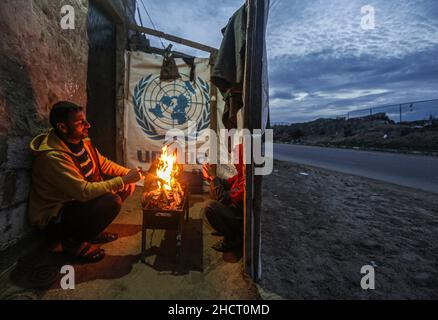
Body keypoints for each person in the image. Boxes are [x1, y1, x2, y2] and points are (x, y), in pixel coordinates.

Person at [28, 101, 142, 263]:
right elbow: (84, 191)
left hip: (77, 203)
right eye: (80, 123)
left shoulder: (82, 142)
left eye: (85, 120)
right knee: (112, 200)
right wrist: (123, 180)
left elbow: (104, 163)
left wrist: (128, 175)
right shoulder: (53, 157)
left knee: (124, 187)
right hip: (55, 218)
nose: (87, 125)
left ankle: (90, 232)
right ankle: (72, 243)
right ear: (62, 127)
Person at [202, 144, 244, 252]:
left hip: (239, 219)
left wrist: (213, 177)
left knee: (209, 206)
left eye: (236, 159)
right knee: (214, 186)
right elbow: (225, 183)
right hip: (232, 209)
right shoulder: (241, 175)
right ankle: (225, 227)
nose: (234, 163)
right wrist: (210, 177)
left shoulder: (246, 182)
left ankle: (232, 238)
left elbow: (223, 198)